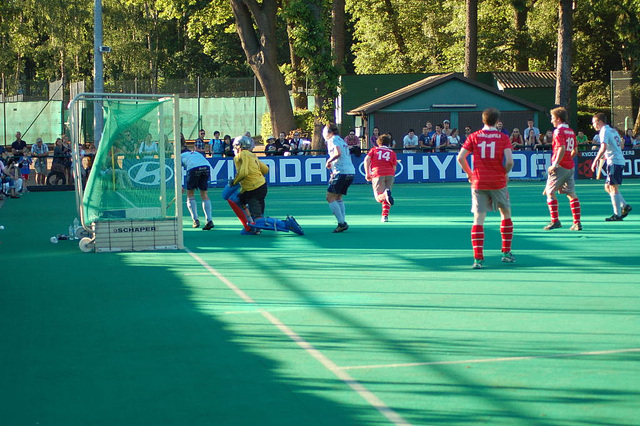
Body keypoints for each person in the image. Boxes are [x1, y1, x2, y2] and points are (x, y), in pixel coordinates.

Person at [457, 107, 515, 269]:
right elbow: (510, 161)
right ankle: (506, 253)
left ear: (483, 120)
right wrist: (504, 173)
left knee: (478, 219)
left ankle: (478, 259)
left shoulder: (474, 137)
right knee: (505, 214)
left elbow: (460, 158)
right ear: (497, 122)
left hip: (479, 181)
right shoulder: (503, 138)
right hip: (498, 182)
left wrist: (470, 174)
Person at [542, 107, 582, 231]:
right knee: (571, 193)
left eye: (553, 118)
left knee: (550, 192)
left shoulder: (558, 131)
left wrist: (555, 164)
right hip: (570, 166)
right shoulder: (570, 131)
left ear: (558, 119)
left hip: (560, 166)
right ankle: (577, 222)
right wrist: (567, 159)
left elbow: (561, 148)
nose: (551, 121)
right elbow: (575, 150)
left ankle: (555, 221)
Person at [590, 113, 632, 221]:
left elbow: (603, 146)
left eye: (594, 123)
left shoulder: (604, 131)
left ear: (599, 122)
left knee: (613, 187)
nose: (593, 125)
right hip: (616, 160)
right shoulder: (613, 131)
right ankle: (625, 206)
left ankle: (617, 214)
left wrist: (595, 160)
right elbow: (621, 146)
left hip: (614, 161)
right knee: (607, 187)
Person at [323, 124, 355, 233]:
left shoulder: (333, 140)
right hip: (350, 172)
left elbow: (337, 153)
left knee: (330, 197)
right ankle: (342, 221)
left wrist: (329, 161)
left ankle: (342, 223)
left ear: (329, 132)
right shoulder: (342, 140)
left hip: (341, 172)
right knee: (338, 197)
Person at [180, 144, 214, 230]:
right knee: (204, 194)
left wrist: (179, 185)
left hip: (193, 168)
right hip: (206, 167)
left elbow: (178, 171)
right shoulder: (196, 153)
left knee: (190, 193)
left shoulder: (180, 156)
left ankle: (195, 220)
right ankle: (209, 220)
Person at [365, 134, 397, 222]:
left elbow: (366, 160)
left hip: (378, 173)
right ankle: (385, 216)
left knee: (379, 197)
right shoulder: (392, 152)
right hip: (390, 174)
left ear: (378, 142)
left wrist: (367, 173)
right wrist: (392, 174)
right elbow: (394, 166)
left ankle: (385, 195)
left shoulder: (374, 150)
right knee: (387, 194)